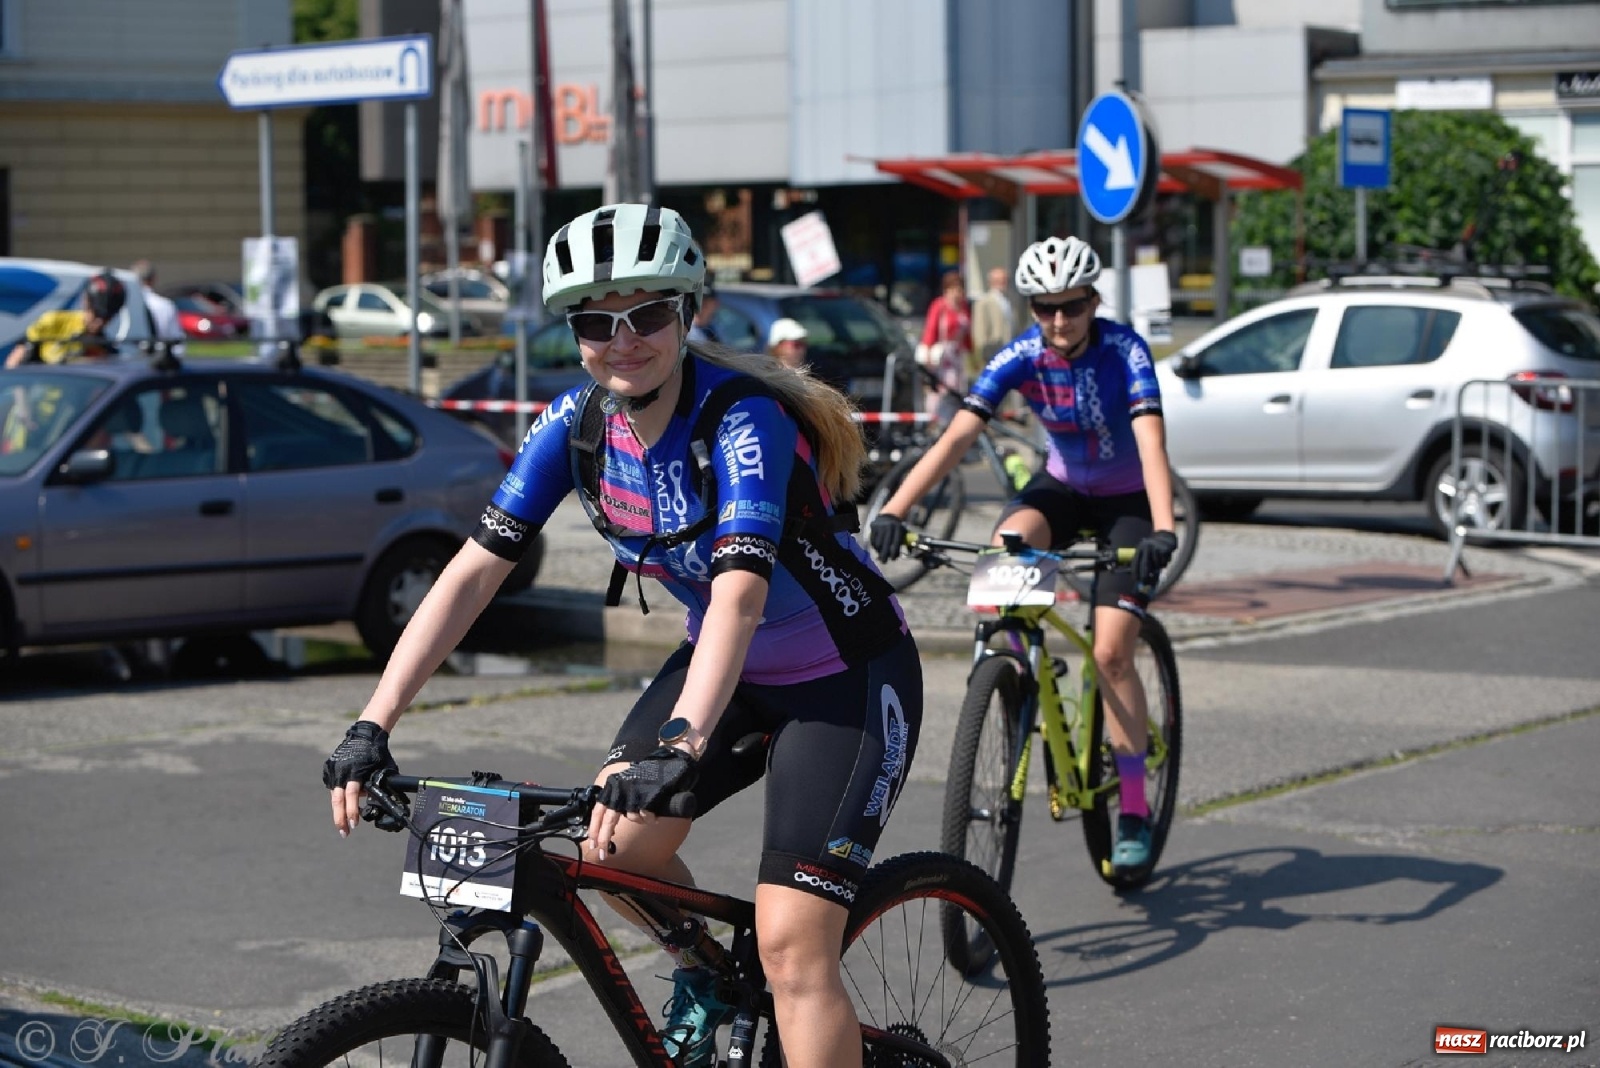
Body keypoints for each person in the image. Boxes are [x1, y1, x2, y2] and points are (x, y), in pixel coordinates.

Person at [322, 203, 923, 1068]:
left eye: (647, 314)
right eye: (597, 321)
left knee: (795, 948)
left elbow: (740, 594)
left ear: (688, 313)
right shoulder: (575, 426)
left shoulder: (743, 418)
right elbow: (472, 573)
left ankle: (780, 987)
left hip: (847, 678)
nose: (624, 339)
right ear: (574, 332)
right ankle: (707, 970)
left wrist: (683, 740)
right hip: (730, 671)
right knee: (615, 847)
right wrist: (372, 722)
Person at [868, 234, 1177, 872]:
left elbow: (1151, 443)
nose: (1059, 322)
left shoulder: (1125, 350)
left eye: (1072, 306)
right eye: (1045, 308)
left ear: (1094, 301)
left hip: (1127, 503)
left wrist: (1163, 529)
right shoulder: (1022, 356)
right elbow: (956, 437)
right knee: (1008, 544)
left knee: (1115, 649)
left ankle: (1137, 808)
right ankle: (1010, 663)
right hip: (1062, 487)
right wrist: (896, 508)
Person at [4, 270, 127, 368]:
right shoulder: (53, 322)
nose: (100, 322)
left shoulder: (104, 349)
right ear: (85, 302)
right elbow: (14, 364)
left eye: (107, 317)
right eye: (96, 313)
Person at [916, 269, 971, 422]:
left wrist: (972, 354)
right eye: (954, 289)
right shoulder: (939, 305)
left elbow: (967, 334)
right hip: (942, 356)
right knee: (941, 389)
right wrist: (927, 352)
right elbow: (931, 329)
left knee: (958, 389)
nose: (958, 293)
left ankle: (953, 419)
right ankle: (937, 420)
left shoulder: (963, 307)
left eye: (960, 289)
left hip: (957, 356)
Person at [971, 266, 1016, 373]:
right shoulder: (984, 302)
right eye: (1000, 280)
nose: (1004, 283)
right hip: (993, 353)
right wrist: (984, 354)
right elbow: (979, 332)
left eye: (1005, 280)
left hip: (1009, 353)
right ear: (992, 282)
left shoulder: (1009, 301)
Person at [132, 260, 184, 341]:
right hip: (159, 351)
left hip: (130, 352)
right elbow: (176, 339)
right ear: (154, 279)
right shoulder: (166, 305)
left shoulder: (126, 305)